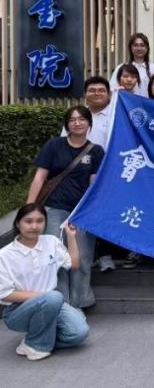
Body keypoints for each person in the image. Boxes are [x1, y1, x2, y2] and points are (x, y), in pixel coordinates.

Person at [26, 106, 105, 308]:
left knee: (83, 256)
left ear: (89, 123)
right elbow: (39, 177)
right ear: (67, 124)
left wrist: (93, 210)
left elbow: (94, 184)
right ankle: (61, 303)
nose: (77, 123)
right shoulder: (54, 145)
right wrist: (30, 208)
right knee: (55, 257)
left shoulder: (96, 151)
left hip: (81, 212)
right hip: (54, 208)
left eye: (82, 119)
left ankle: (80, 302)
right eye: (72, 120)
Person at [0, 204, 90, 361]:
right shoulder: (5, 255)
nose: (34, 226)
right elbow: (5, 294)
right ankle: (38, 346)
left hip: (53, 302)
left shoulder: (51, 242)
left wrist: (71, 236)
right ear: (18, 223)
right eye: (29, 221)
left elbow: (73, 264)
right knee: (53, 297)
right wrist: (43, 297)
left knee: (79, 333)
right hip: (18, 310)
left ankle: (33, 339)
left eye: (40, 221)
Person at [109, 33, 154, 97]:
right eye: (135, 45)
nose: (139, 48)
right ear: (131, 48)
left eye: (142, 45)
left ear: (147, 48)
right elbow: (112, 89)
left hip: (147, 103)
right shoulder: (121, 67)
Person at [80, 76, 113, 149]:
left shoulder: (116, 115)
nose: (97, 93)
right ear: (84, 94)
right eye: (92, 90)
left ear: (109, 94)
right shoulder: (77, 115)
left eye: (101, 90)